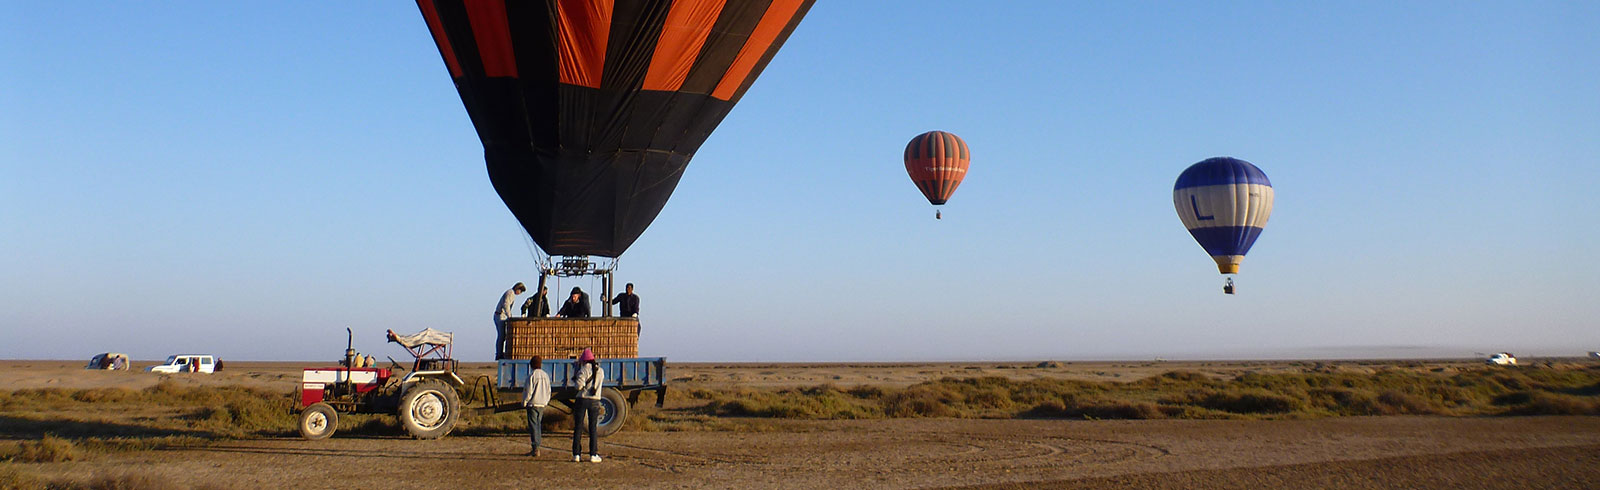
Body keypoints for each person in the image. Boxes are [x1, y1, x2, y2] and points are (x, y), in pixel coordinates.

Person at [571, 348, 604, 462]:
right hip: (595, 400)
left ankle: (576, 454)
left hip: (582, 399)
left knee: (578, 427)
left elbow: (579, 386)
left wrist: (576, 383)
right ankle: (593, 454)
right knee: (592, 428)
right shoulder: (601, 371)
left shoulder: (583, 370)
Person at [522, 356, 552, 457]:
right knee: (538, 425)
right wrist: (546, 401)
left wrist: (525, 402)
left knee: (533, 426)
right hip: (542, 404)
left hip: (533, 404)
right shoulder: (546, 375)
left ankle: (535, 448)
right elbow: (549, 391)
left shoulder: (532, 376)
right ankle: (537, 445)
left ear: (532, 365)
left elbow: (528, 391)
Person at [494, 282, 526, 358]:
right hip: (500, 316)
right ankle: (499, 354)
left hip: (501, 316)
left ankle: (500, 353)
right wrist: (509, 316)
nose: (520, 293)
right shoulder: (510, 293)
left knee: (502, 336)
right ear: (518, 289)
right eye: (520, 291)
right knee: (502, 336)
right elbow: (506, 305)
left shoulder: (511, 293)